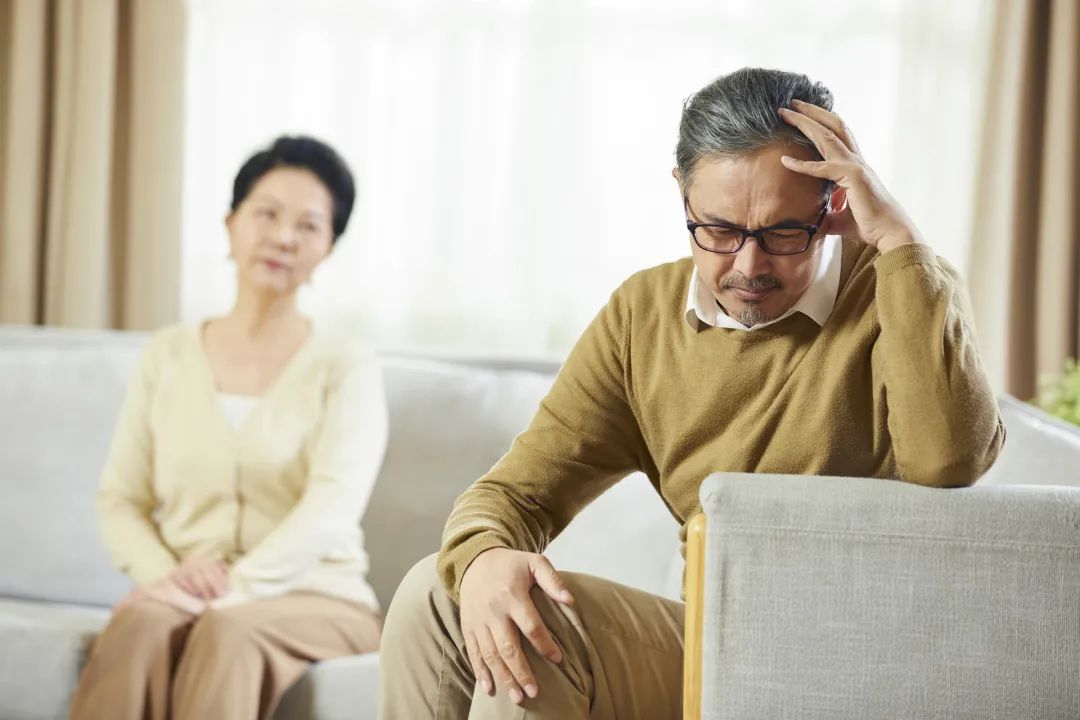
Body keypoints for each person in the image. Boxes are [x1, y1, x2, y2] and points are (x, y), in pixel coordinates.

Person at [376, 68, 1004, 719]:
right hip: (714, 653)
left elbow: (946, 463)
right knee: (436, 595)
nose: (748, 266)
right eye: (720, 230)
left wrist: (900, 241)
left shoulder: (901, 290)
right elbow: (516, 492)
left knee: (539, 628)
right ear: (681, 193)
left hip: (852, 660)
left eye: (784, 232)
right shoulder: (642, 316)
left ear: (834, 203)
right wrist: (481, 559)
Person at [70, 136, 387, 720]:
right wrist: (167, 580)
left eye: (309, 226)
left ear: (328, 249)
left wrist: (233, 591)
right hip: (186, 588)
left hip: (318, 596)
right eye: (267, 214)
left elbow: (332, 506)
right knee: (139, 626)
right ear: (231, 224)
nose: (284, 237)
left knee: (228, 633)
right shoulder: (167, 354)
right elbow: (121, 498)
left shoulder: (347, 364)